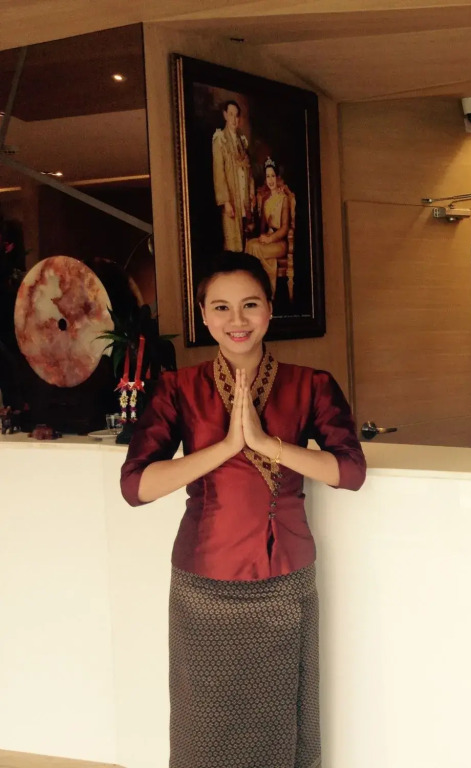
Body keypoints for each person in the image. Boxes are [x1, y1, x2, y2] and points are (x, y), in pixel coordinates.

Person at [120, 251, 365, 767]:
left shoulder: (311, 384)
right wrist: (228, 447)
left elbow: (349, 472)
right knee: (204, 727)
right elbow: (136, 486)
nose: (237, 320)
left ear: (269, 310)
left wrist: (266, 443)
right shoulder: (177, 389)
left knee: (282, 723)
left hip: (286, 580)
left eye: (250, 305)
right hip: (204, 584)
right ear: (204, 316)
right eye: (222, 307)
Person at [212, 100, 255, 252]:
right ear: (225, 115)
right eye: (231, 115)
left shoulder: (242, 140)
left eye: (236, 116)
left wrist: (251, 192)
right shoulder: (220, 139)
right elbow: (219, 173)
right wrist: (226, 202)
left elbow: (248, 170)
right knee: (233, 241)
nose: (234, 119)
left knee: (246, 238)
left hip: (244, 197)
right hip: (231, 198)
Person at [245, 157, 292, 298]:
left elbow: (284, 228)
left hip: (279, 242)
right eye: (267, 176)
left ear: (277, 177)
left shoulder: (284, 199)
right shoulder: (265, 199)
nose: (270, 180)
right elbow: (262, 227)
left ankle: (263, 291)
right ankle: (254, 288)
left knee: (255, 248)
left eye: (272, 176)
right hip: (268, 238)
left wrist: (270, 239)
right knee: (250, 244)